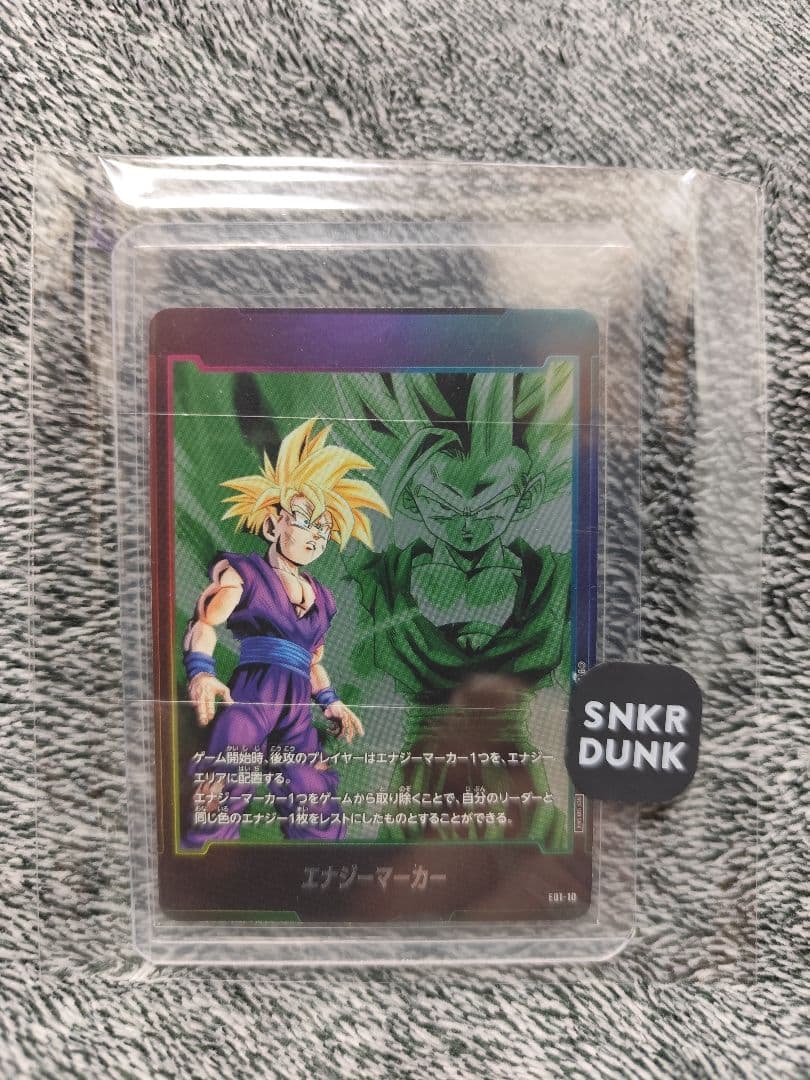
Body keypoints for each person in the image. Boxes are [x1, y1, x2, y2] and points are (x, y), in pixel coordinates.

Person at [182, 417, 389, 847]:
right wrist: (201, 671)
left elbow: (313, 662)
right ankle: (201, 870)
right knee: (220, 788)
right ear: (273, 525)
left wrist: (330, 702)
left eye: (324, 530)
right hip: (251, 697)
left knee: (314, 802)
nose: (315, 537)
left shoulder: (323, 597)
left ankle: (321, 875)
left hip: (297, 714)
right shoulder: (245, 573)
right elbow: (205, 623)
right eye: (305, 521)